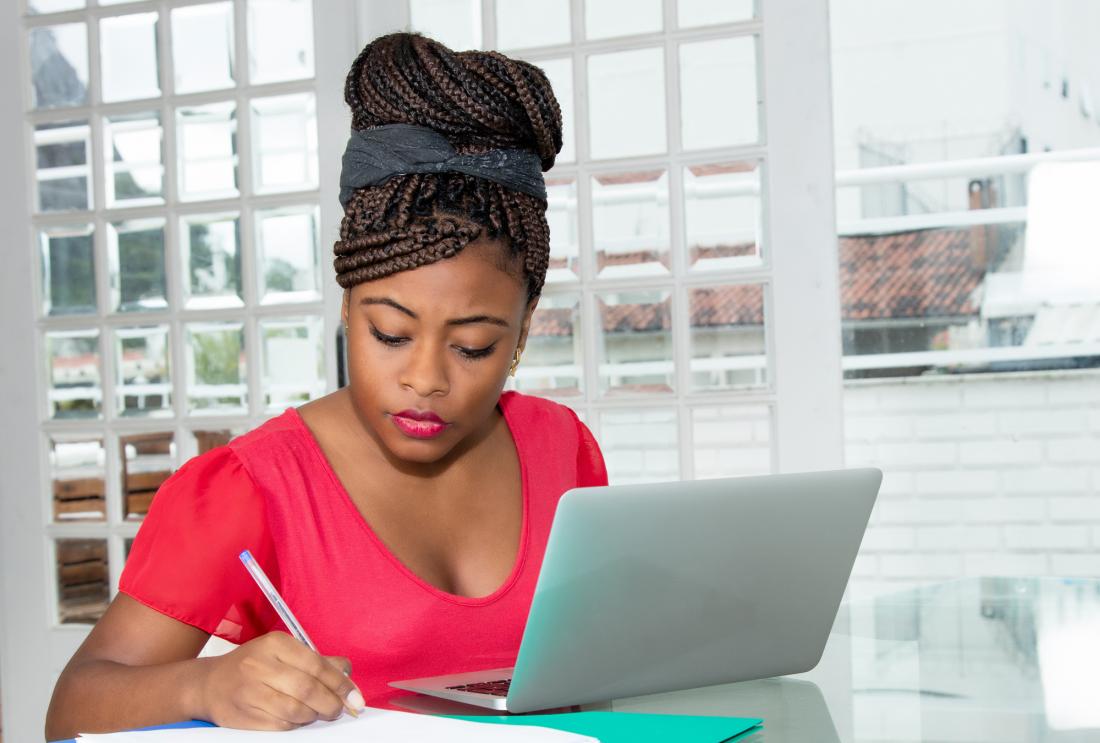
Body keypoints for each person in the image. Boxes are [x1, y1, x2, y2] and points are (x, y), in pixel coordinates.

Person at [45, 32, 606, 740]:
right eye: (391, 334)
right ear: (345, 307)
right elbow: (69, 711)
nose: (425, 378)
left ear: (523, 332)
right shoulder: (250, 487)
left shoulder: (565, 451)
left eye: (474, 345)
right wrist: (207, 682)